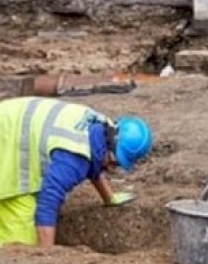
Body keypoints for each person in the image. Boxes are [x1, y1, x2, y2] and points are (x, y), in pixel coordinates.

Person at [0, 96, 153, 247]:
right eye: (114, 162)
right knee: (22, 246)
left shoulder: (100, 125)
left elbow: (95, 160)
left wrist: (109, 197)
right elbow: (48, 203)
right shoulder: (73, 159)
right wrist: (46, 256)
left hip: (11, 120)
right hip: (7, 140)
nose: (112, 168)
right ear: (110, 146)